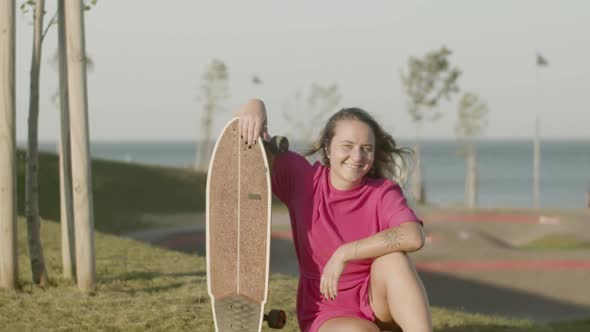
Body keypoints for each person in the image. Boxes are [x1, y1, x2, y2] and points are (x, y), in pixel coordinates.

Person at [237, 99, 432, 332]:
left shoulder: (382, 192)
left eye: (366, 149)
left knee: (394, 259)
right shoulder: (303, 180)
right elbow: (253, 150)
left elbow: (413, 236)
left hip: (375, 298)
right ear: (328, 148)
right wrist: (254, 106)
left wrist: (345, 252)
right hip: (326, 308)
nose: (357, 156)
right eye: (347, 146)